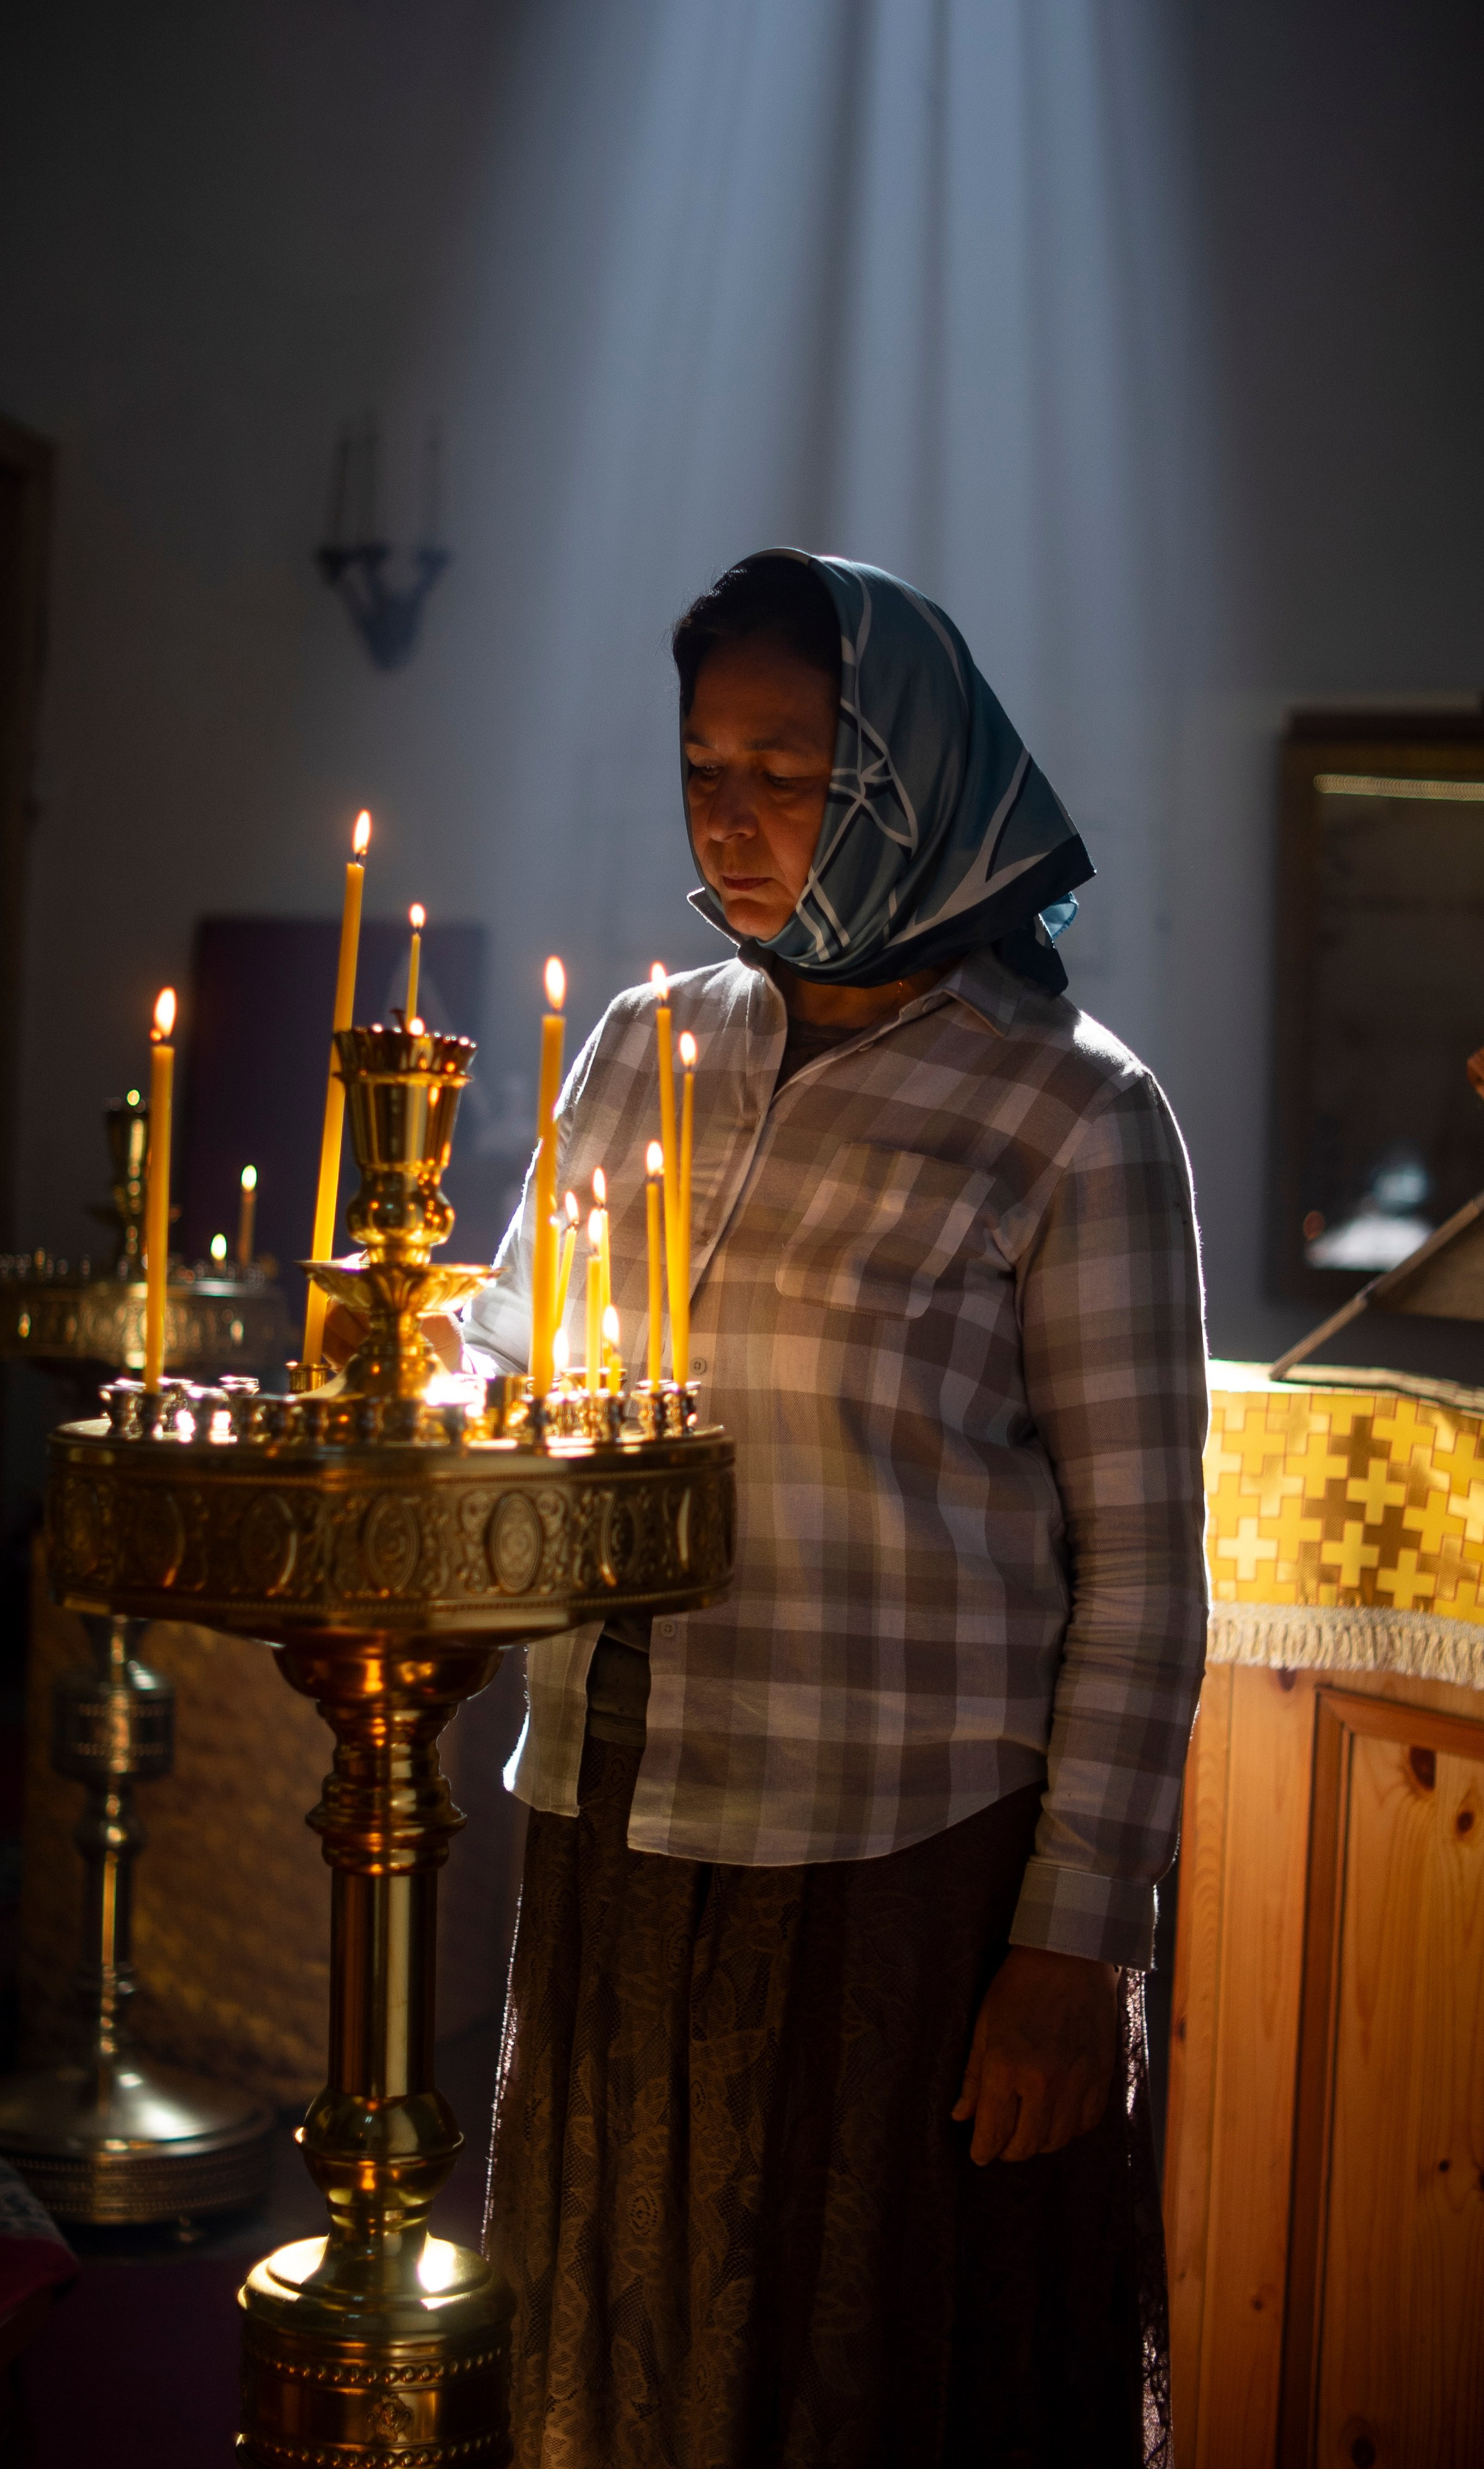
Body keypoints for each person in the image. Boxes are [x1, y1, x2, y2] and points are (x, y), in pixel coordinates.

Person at [464, 550, 1208, 2469]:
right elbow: (509, 1351)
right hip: (619, 1805)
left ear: (911, 774)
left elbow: (1142, 1573)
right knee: (616, 2342)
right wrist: (398, 1383)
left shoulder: (1072, 1113)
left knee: (856, 2364)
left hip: (900, 1868)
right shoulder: (642, 1047)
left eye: (788, 772)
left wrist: (1079, 1946)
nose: (729, 817)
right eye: (702, 767)